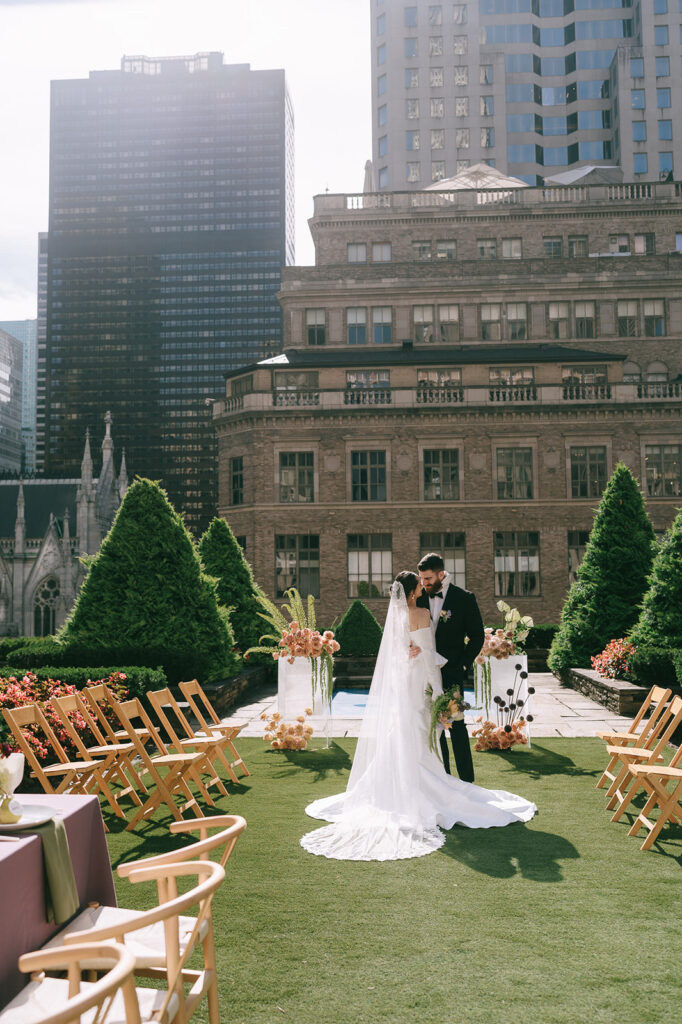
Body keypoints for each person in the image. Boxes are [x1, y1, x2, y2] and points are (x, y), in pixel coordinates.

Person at [300, 572, 536, 862]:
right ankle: (425, 785)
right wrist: (439, 692)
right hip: (423, 681)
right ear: (413, 592)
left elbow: (399, 652)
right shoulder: (422, 612)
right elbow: (427, 655)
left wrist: (411, 654)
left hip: (405, 685)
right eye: (419, 586)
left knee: (405, 730)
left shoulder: (395, 617)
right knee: (422, 730)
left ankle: (392, 785)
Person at [416, 552, 484, 782]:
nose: (424, 583)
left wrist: (464, 665)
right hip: (425, 674)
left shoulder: (464, 598)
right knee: (433, 727)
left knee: (457, 726)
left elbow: (477, 636)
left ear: (441, 574)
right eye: (422, 579)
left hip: (452, 673)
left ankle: (467, 781)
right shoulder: (418, 598)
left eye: (428, 579)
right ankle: (443, 780)